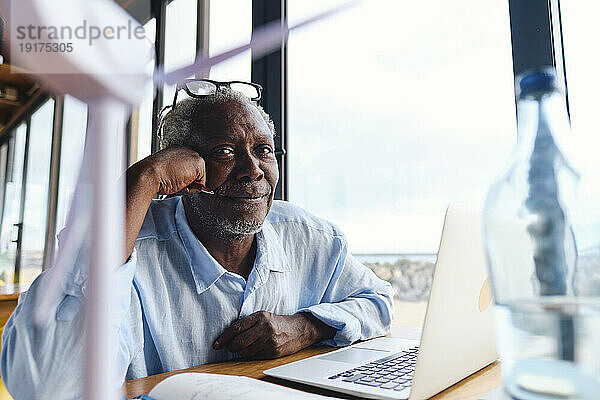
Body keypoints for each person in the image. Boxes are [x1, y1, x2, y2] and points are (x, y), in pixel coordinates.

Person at [1, 80, 394, 399]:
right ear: (183, 169)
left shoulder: (311, 237)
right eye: (225, 151)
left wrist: (308, 326)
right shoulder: (127, 241)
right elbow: (46, 385)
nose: (253, 169)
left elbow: (378, 302)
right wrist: (143, 179)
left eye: (263, 150)